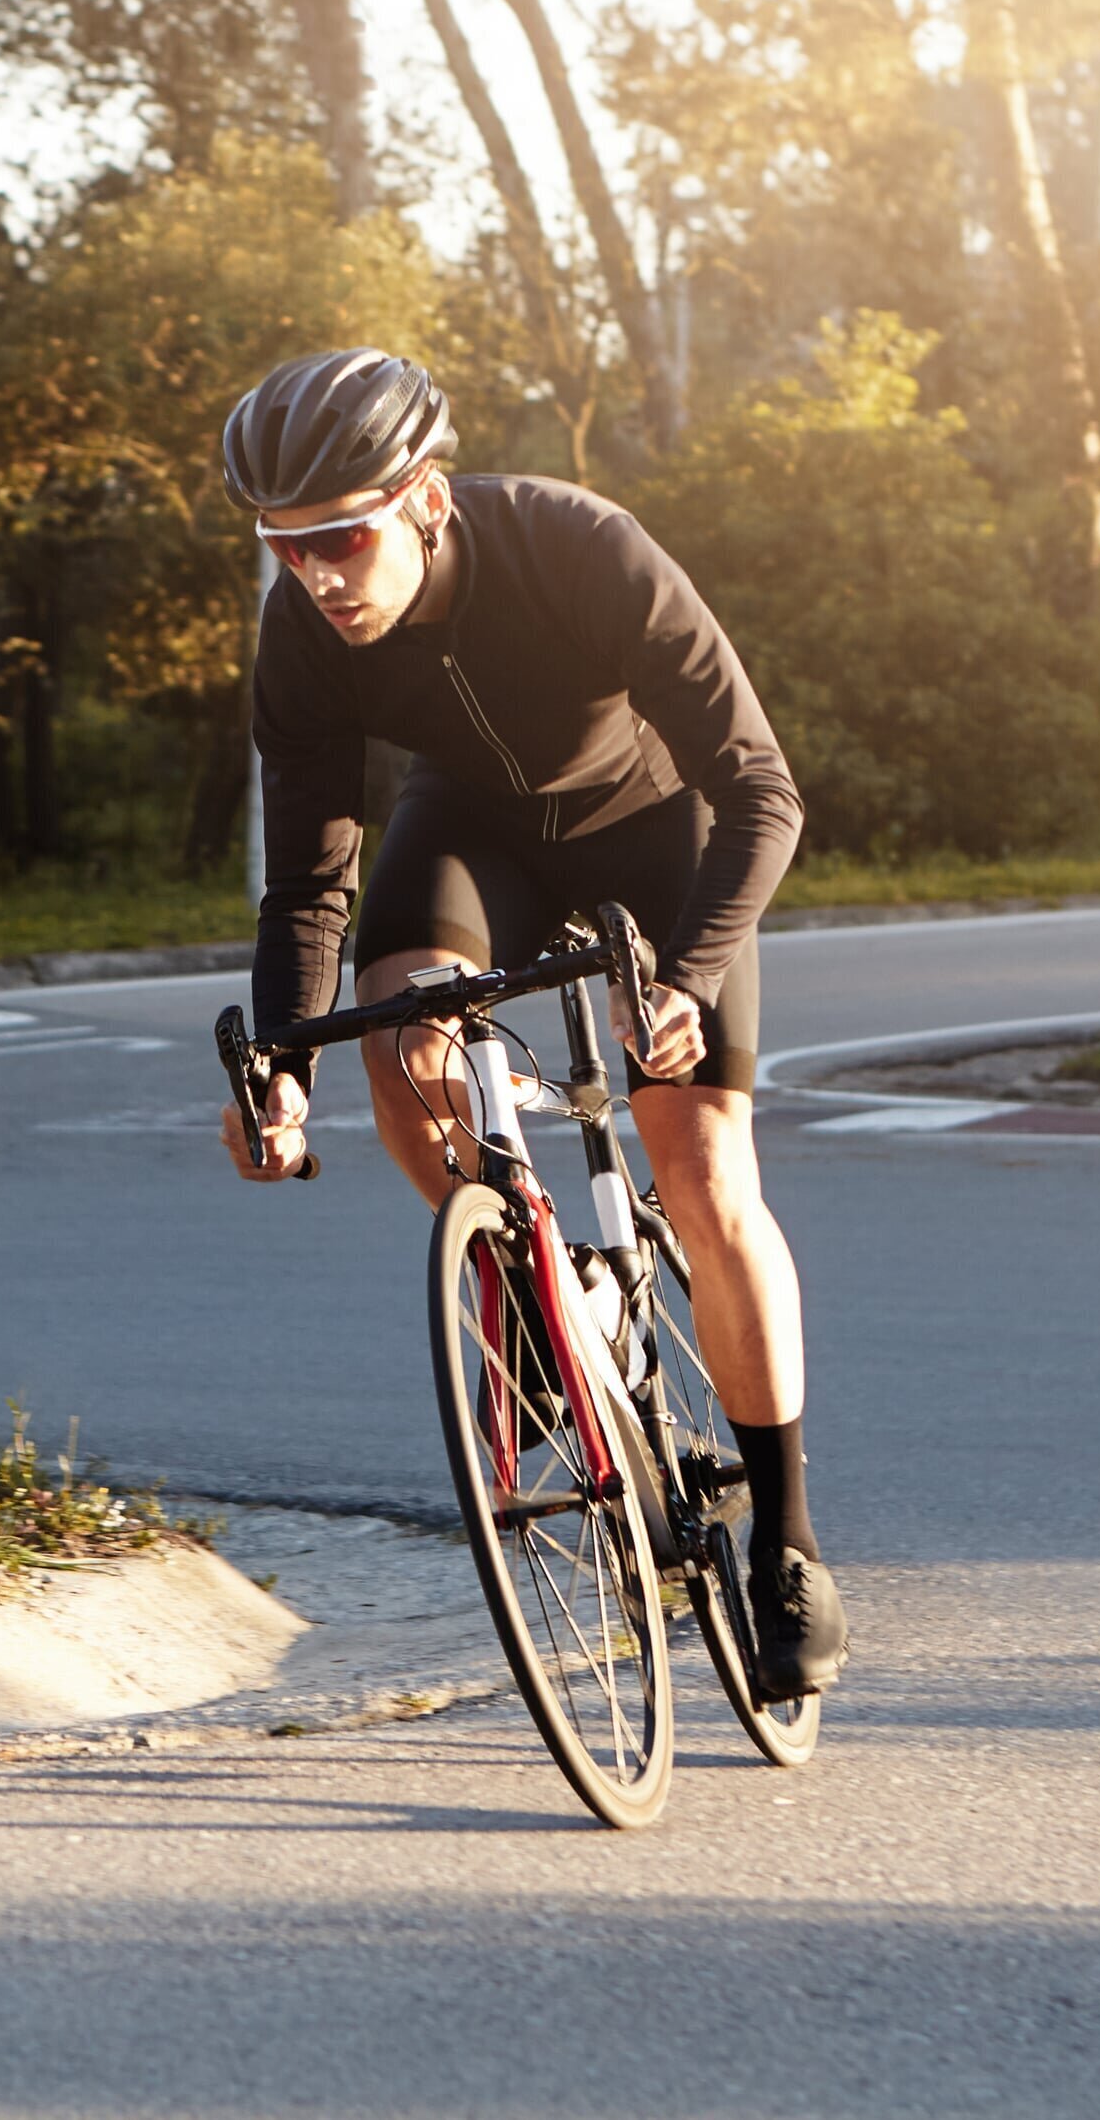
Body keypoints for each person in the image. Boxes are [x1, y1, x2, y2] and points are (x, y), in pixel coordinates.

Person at [209, 347, 845, 1701]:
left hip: (651, 823)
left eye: (340, 539)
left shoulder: (576, 546)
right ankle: (521, 1276)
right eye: (285, 548)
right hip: (476, 831)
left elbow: (762, 791)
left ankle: (785, 1541)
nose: (316, 575)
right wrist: (279, 1067)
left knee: (701, 1159)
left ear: (426, 499)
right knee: (400, 1030)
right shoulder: (301, 637)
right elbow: (310, 879)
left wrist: (684, 979)